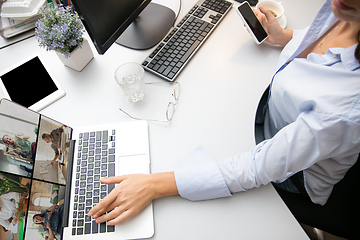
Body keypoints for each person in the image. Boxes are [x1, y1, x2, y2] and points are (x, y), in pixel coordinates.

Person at [88, 0, 360, 226]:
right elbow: (324, 46)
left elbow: (257, 167)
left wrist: (152, 186)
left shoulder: (346, 108)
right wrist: (284, 37)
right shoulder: (345, 10)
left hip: (296, 172)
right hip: (278, 116)